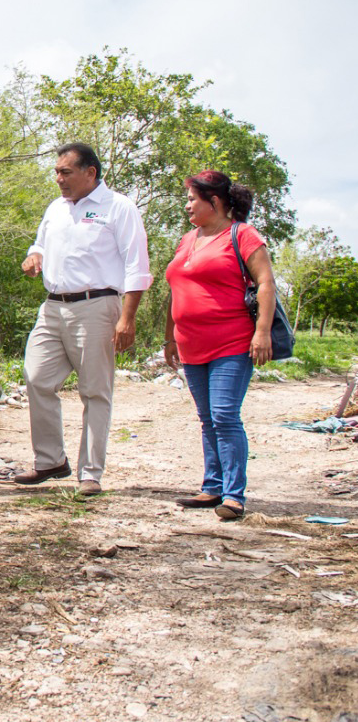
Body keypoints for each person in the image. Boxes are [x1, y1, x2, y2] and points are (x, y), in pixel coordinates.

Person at [16, 143, 152, 495]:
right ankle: (50, 461)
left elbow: (137, 266)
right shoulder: (56, 208)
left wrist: (128, 318)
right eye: (57, 172)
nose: (58, 179)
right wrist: (33, 258)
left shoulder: (119, 208)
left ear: (90, 173)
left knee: (94, 391)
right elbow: (40, 244)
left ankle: (90, 474)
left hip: (97, 306)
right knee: (37, 377)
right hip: (52, 306)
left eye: (66, 172)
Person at [164, 171, 277, 520]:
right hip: (191, 343)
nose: (187, 206)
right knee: (207, 418)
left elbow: (266, 283)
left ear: (214, 202)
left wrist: (262, 332)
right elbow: (175, 290)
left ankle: (233, 495)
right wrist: (169, 337)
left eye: (192, 199)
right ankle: (211, 487)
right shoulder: (187, 240)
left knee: (225, 415)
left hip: (231, 340)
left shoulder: (242, 235)